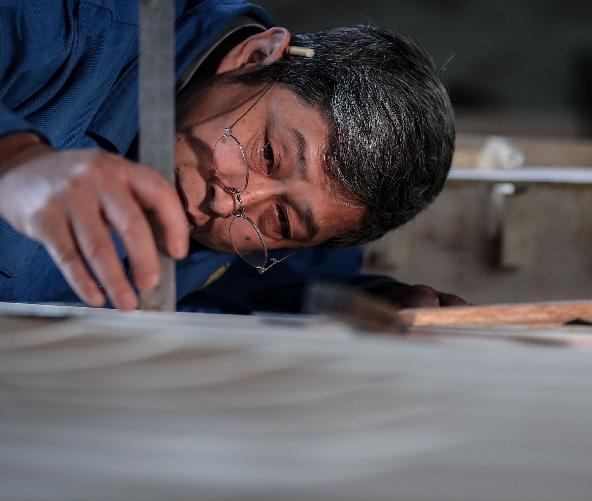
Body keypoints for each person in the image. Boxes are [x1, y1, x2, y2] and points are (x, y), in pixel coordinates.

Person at [0, 0, 465, 313]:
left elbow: (267, 291)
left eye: (280, 221)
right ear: (256, 56)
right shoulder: (76, 25)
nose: (228, 205)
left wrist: (380, 307)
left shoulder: (265, 245)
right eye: (266, 153)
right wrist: (17, 159)